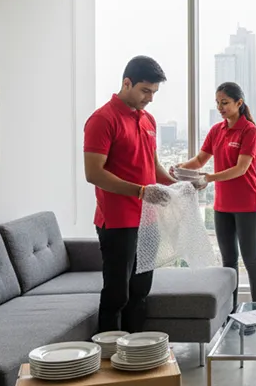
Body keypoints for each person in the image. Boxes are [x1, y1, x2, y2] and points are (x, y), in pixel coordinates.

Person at [83, 55, 177, 333]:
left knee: (141, 292)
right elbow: (94, 174)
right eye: (145, 90)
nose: (150, 98)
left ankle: (137, 359)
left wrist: (178, 185)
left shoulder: (148, 120)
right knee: (117, 295)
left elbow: (153, 166)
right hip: (117, 221)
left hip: (148, 220)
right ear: (127, 83)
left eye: (154, 92)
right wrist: (140, 192)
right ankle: (109, 365)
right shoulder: (102, 120)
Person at [176, 82, 256, 315]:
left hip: (247, 205)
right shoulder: (217, 130)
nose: (220, 107)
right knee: (228, 262)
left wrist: (210, 178)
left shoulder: (249, 131)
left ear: (239, 103)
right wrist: (178, 169)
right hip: (222, 206)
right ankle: (232, 310)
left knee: (251, 259)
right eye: (217, 103)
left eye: (225, 103)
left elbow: (241, 168)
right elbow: (199, 160)